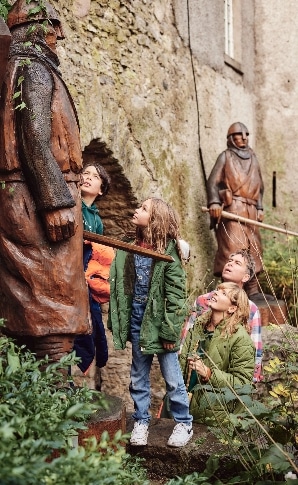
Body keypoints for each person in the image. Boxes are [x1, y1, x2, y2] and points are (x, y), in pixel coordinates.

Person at [0, 0, 90, 360]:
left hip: (29, 192)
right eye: (54, 26)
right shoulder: (33, 70)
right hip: (36, 196)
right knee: (53, 293)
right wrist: (55, 201)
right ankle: (53, 389)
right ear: (35, 30)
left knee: (37, 292)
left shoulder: (22, 68)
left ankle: (42, 386)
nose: (60, 35)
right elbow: (34, 138)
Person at [108, 198, 193, 447]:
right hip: (138, 318)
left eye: (144, 209)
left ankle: (183, 423)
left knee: (172, 376)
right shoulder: (131, 246)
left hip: (160, 322)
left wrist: (169, 333)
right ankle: (142, 420)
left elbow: (176, 297)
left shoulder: (169, 253)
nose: (137, 210)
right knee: (138, 375)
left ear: (156, 220)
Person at [181, 250, 263, 382]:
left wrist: (250, 383)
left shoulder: (251, 308)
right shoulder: (203, 300)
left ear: (246, 277)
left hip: (227, 379)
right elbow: (186, 339)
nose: (230, 264)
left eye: (237, 263)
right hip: (193, 372)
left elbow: (255, 350)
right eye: (229, 261)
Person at [179, 282, 255, 425]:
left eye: (223, 293)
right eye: (217, 290)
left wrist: (209, 374)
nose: (215, 293)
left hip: (214, 417)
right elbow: (181, 362)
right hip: (182, 407)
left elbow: (243, 384)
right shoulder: (198, 327)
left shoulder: (240, 338)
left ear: (232, 308)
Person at [207, 122, 265, 300]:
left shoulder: (253, 157)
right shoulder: (225, 157)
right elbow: (213, 182)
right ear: (232, 138)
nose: (244, 137)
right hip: (233, 209)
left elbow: (260, 185)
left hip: (251, 210)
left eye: (246, 134)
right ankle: (229, 290)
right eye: (240, 134)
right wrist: (215, 202)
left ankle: (253, 291)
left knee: (254, 249)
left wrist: (260, 206)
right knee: (233, 247)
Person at [73, 162, 114, 387]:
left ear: (101, 189)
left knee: (90, 324)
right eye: (85, 173)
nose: (87, 177)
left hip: (84, 276)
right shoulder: (73, 204)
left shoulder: (96, 220)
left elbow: (97, 256)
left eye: (94, 176)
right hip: (69, 272)